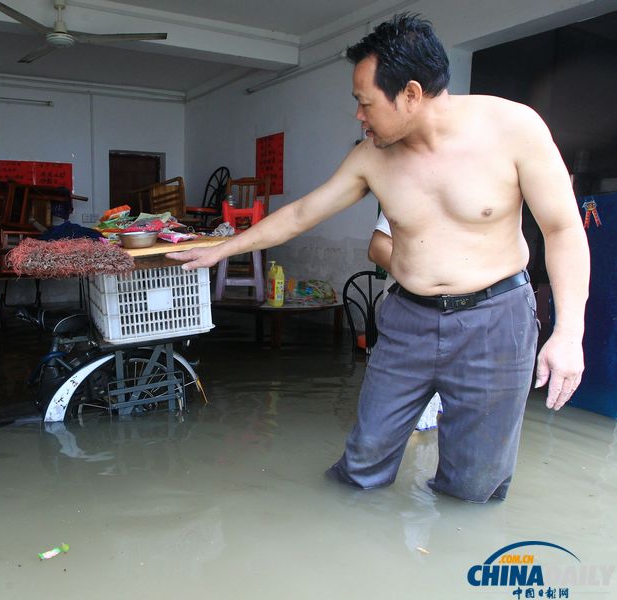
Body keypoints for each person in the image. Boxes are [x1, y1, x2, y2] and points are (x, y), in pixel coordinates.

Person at [167, 13, 589, 502]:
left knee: (474, 485)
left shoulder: (514, 128)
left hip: (497, 322)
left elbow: (562, 229)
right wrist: (221, 249)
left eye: (365, 103)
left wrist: (569, 333)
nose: (359, 116)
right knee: (362, 462)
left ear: (410, 94)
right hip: (408, 318)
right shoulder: (371, 157)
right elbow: (303, 212)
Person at [369, 211, 443, 431]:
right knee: (402, 416)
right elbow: (378, 248)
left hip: (462, 318)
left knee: (442, 416)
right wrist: (424, 281)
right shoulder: (406, 185)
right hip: (411, 308)